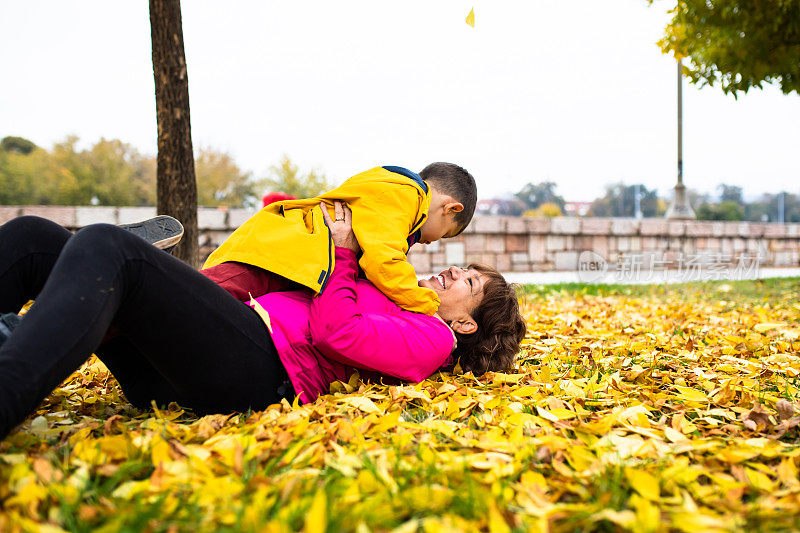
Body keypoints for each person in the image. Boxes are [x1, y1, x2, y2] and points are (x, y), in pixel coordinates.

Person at [0, 205, 525, 438]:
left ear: (467, 327)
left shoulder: (432, 338)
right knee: (33, 238)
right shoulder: (402, 295)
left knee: (109, 248)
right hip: (203, 351)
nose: (454, 270)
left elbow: (336, 332)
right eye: (463, 267)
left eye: (469, 283)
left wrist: (342, 255)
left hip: (257, 367)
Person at [202, 163, 478, 315]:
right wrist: (427, 304)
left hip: (291, 260)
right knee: (207, 293)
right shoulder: (405, 196)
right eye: (444, 234)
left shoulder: (398, 193)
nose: (431, 242)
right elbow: (385, 261)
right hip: (277, 253)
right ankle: (159, 273)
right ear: (451, 208)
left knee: (220, 310)